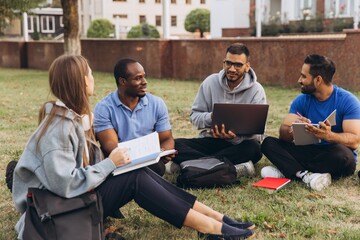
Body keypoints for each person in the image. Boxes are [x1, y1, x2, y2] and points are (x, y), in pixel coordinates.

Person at [12, 55, 255, 239]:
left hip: (75, 200)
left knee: (138, 172)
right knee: (135, 178)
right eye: (90, 74)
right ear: (79, 81)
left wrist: (114, 164)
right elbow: (64, 184)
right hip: (56, 212)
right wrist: (111, 162)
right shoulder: (58, 128)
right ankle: (211, 227)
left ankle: (215, 218)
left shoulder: (75, 118)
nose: (93, 79)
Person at [261, 54, 360, 191]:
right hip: (307, 151)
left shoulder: (348, 101)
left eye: (304, 76)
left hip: (331, 154)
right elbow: (283, 135)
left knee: (344, 157)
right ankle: (305, 175)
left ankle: (289, 169)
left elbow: (355, 141)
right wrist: (293, 129)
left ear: (318, 79)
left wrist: (328, 136)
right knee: (268, 143)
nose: (299, 80)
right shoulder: (302, 100)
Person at [173, 43, 267, 177]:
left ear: (247, 66)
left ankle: (193, 165)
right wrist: (211, 118)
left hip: (239, 145)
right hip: (211, 141)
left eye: (238, 65)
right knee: (175, 145)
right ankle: (231, 167)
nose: (232, 69)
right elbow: (194, 117)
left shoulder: (257, 90)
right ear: (223, 62)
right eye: (228, 63)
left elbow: (259, 134)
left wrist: (237, 135)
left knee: (255, 149)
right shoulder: (210, 82)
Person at [93, 58, 175, 176]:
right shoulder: (104, 108)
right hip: (121, 162)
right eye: (138, 78)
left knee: (158, 167)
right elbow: (111, 147)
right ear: (123, 81)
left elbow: (166, 138)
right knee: (154, 169)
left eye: (144, 76)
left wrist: (165, 151)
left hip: (151, 160)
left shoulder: (157, 103)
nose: (144, 81)